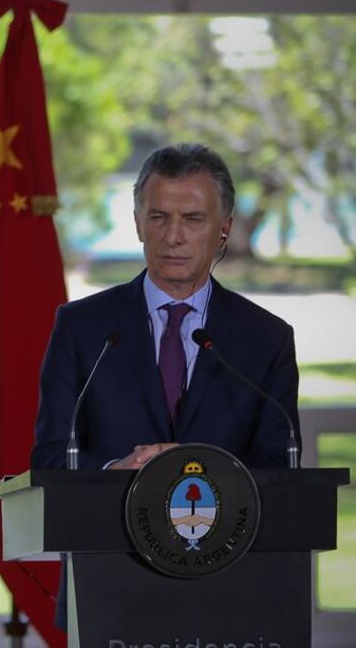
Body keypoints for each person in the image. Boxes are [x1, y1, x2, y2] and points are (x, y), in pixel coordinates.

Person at [30, 142, 300, 631]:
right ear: (136, 223)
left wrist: (207, 474)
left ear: (225, 229)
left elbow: (279, 469)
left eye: (193, 219)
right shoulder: (82, 328)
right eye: (158, 217)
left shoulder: (267, 340)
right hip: (107, 582)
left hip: (232, 590)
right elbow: (51, 457)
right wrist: (118, 468)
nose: (173, 236)